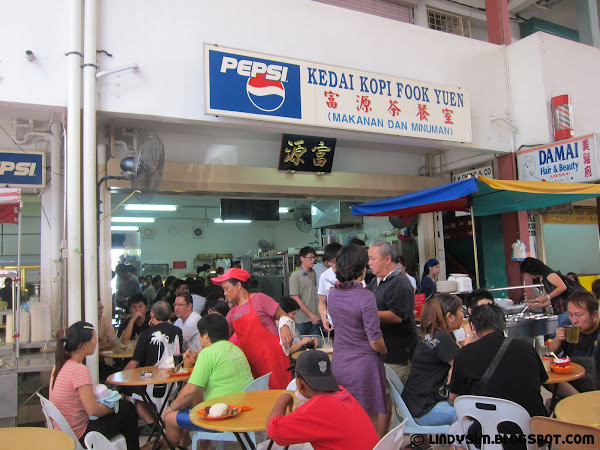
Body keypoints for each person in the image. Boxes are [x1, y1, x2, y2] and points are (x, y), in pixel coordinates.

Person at [449, 304, 547, 447]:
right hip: (533, 436)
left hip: (487, 439)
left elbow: (454, 398)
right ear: (503, 324)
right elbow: (539, 383)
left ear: (472, 326)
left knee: (456, 429)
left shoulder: (464, 353)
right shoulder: (526, 348)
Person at [163, 314, 253, 448]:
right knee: (196, 397)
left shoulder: (207, 353)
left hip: (222, 417)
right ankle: (197, 442)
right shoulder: (235, 348)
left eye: (200, 334)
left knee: (169, 417)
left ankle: (169, 446)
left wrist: (171, 407)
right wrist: (197, 361)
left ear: (206, 335)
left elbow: (191, 389)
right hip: (242, 410)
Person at [327, 244, 388, 437]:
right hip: (364, 367)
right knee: (368, 422)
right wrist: (384, 350)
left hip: (339, 363)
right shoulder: (365, 296)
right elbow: (375, 340)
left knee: (346, 419)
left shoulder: (332, 294)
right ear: (361, 269)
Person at [49, 321, 140, 449]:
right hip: (81, 435)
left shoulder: (59, 365)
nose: (97, 342)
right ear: (85, 345)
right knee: (127, 408)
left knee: (123, 409)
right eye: (95, 338)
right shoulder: (79, 370)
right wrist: (114, 406)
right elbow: (93, 410)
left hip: (63, 430)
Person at [266, 350, 379, 450]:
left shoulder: (315, 409)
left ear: (299, 383)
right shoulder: (342, 391)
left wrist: (284, 397)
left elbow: (271, 432)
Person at [211, 267, 293, 389]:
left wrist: (284, 326)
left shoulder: (260, 299)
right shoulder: (232, 314)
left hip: (273, 359)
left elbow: (282, 314)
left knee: (279, 394)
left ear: (238, 285)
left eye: (226, 288)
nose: (225, 294)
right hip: (251, 365)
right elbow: (222, 340)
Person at [402, 294, 462, 426]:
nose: (463, 316)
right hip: (424, 408)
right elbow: (463, 368)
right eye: (461, 311)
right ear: (450, 317)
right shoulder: (442, 337)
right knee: (468, 415)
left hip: (414, 402)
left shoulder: (432, 333)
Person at [124, 301, 183, 433]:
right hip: (174, 384)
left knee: (129, 391)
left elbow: (134, 363)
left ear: (151, 314)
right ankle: (158, 422)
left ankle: (153, 425)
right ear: (170, 315)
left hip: (153, 384)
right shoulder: (177, 331)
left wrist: (121, 377)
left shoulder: (146, 334)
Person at [367, 240, 418, 385]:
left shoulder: (400, 282)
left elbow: (396, 316)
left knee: (393, 395)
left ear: (387, 259)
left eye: (373, 259)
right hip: (381, 354)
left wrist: (367, 314)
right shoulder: (376, 282)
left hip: (397, 356)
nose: (369, 263)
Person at [548, 291, 600, 394]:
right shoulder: (567, 326)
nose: (574, 320)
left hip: (596, 388)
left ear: (595, 315)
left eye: (578, 315)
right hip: (572, 384)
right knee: (542, 373)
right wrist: (558, 339)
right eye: (570, 314)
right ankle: (577, 399)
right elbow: (549, 354)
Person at [520, 257, 574, 328]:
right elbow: (555, 298)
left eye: (528, 273)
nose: (529, 276)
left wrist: (547, 297)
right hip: (561, 311)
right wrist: (537, 305)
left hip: (566, 310)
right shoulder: (544, 277)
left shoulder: (549, 274)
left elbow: (562, 287)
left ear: (532, 270)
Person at [289, 246, 321, 336]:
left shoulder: (314, 273)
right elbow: (296, 298)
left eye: (314, 258)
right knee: (302, 343)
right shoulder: (295, 276)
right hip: (301, 320)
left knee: (317, 343)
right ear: (302, 258)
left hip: (315, 318)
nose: (313, 260)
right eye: (310, 258)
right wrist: (310, 315)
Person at [317, 242, 343, 331]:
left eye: (336, 261)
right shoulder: (325, 276)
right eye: (331, 262)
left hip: (351, 323)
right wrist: (324, 319)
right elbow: (322, 301)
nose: (334, 265)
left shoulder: (351, 273)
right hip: (333, 324)